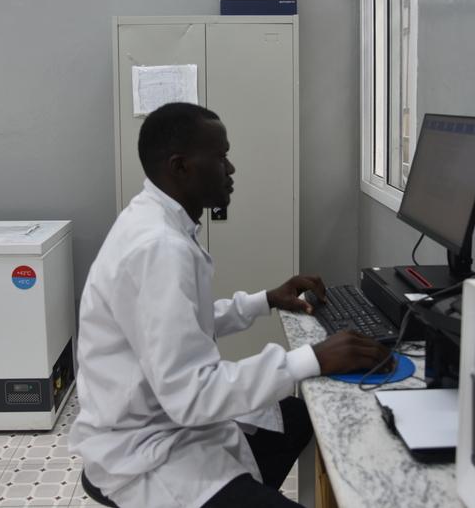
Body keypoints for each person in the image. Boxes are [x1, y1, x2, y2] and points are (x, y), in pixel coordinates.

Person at [69, 102, 390, 508]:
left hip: (161, 420)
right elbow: (193, 395)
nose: (231, 168)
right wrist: (313, 358)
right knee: (295, 413)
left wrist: (266, 300)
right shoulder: (158, 248)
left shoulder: (155, 219)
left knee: (300, 416)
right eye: (221, 157)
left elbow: (183, 323)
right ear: (181, 166)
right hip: (144, 453)